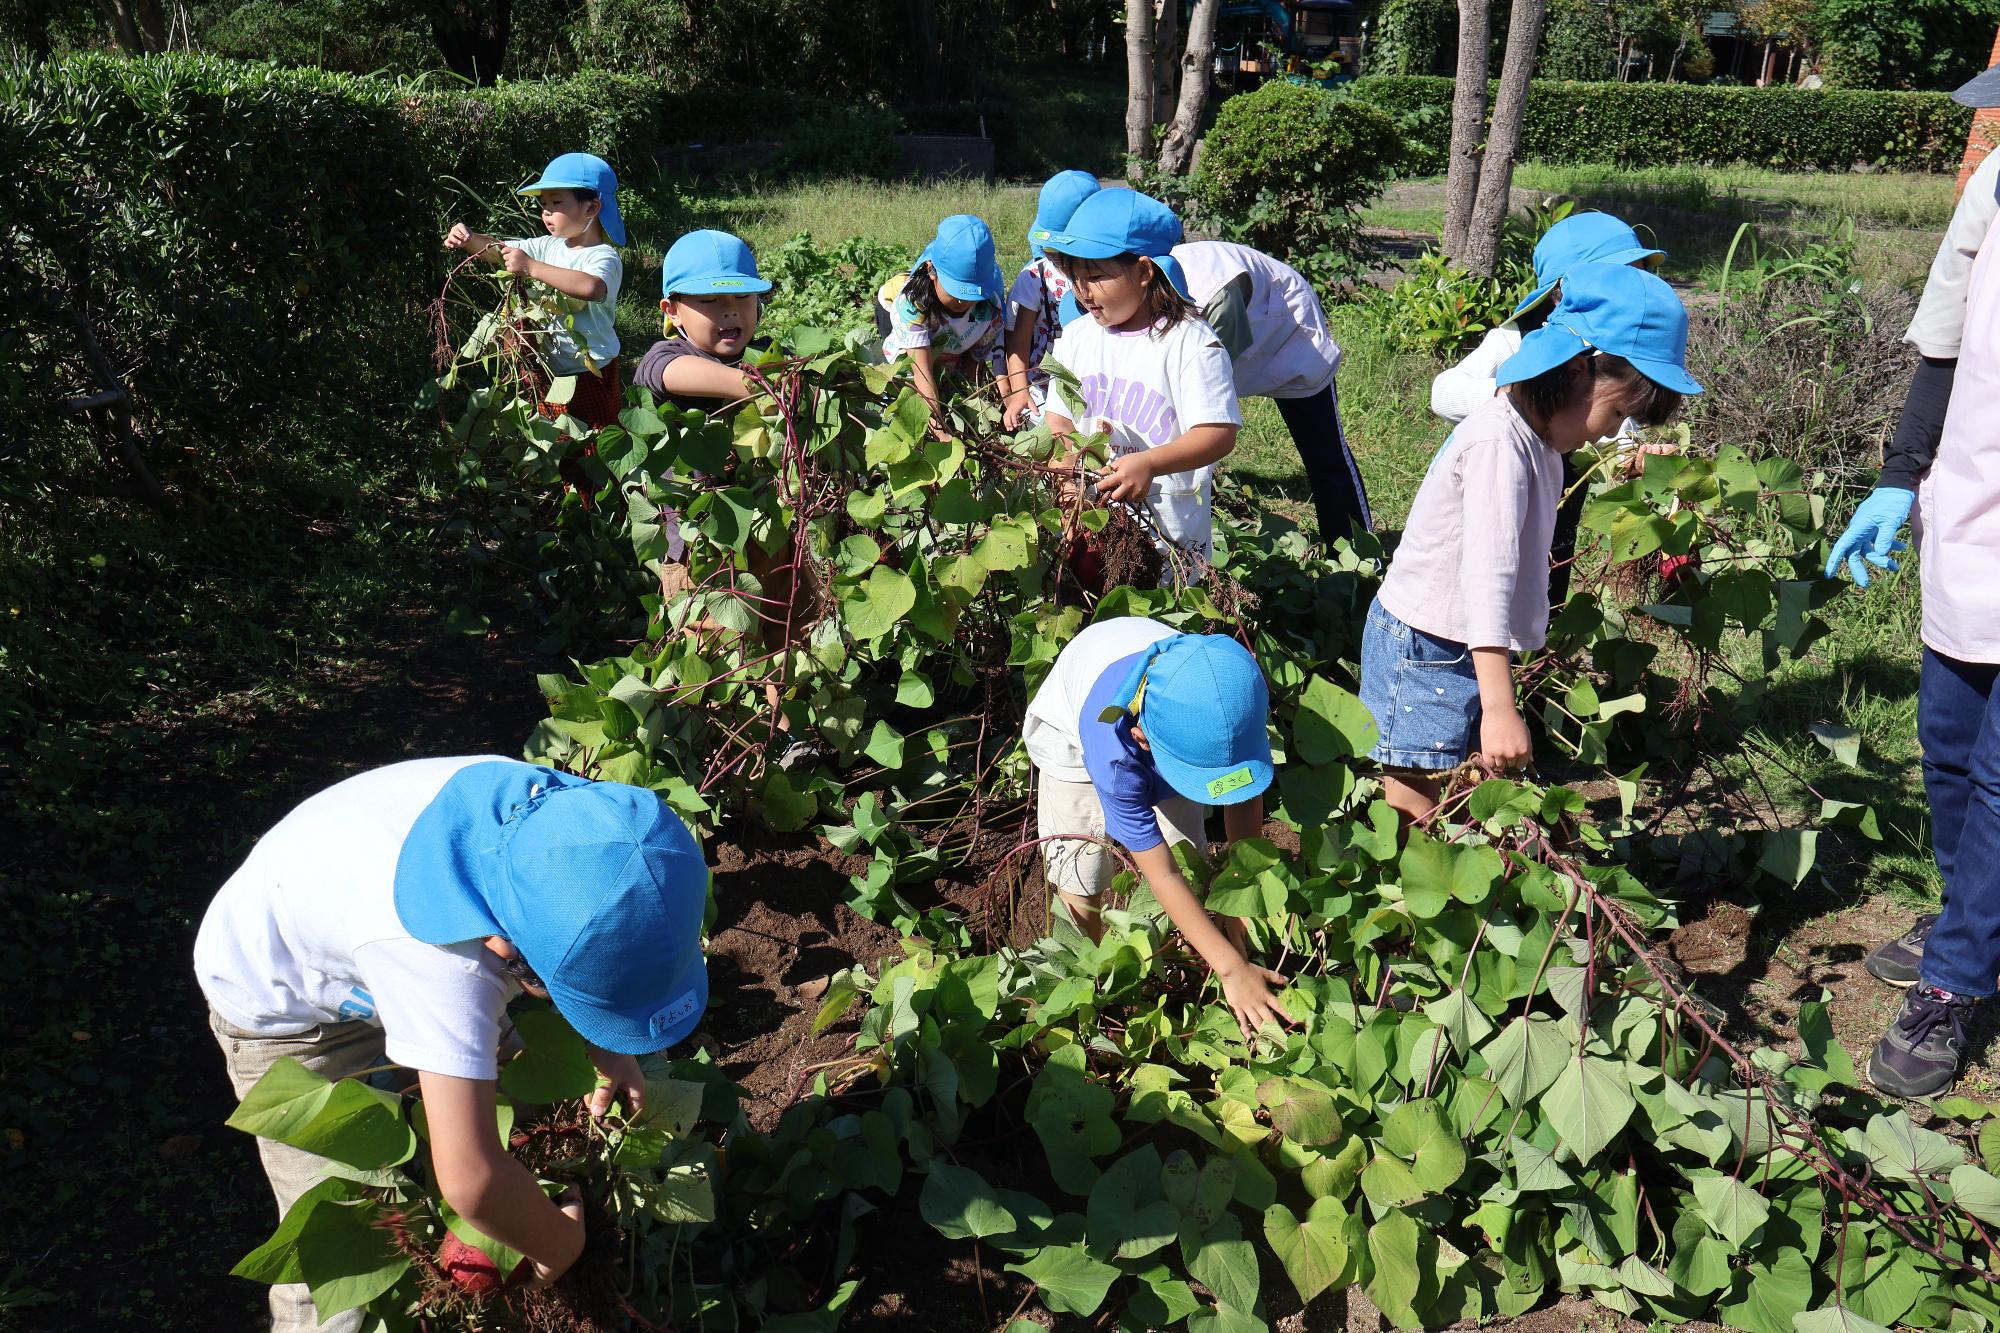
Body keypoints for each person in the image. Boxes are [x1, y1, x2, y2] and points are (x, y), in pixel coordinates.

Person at [195, 757, 708, 1332]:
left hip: (353, 918)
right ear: (504, 948)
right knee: (341, 1265)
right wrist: (562, 1249)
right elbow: (472, 1180)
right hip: (286, 1006)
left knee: (534, 1118)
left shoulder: (584, 823)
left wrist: (608, 1042)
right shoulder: (445, 969)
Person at [1360, 264, 1699, 824]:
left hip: (1463, 645)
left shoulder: (1538, 437)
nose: (1615, 431)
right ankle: (1406, 893)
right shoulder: (1500, 445)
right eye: (1617, 412)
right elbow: (1486, 582)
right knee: (1416, 795)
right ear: (1573, 373)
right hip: (1426, 646)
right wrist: (1500, 707)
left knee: (1463, 779)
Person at [1824, 64, 2000, 1099]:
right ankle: (1968, 911)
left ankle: (1956, 978)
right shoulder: (1995, 183)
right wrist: (1897, 478)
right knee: (1942, 738)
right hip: (1971, 508)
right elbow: (1938, 344)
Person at [1021, 616, 1294, 1039]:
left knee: (1188, 854)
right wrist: (1232, 968)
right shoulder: (1114, 759)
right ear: (1143, 740)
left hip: (1182, 722)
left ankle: (1188, 954)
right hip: (1073, 739)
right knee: (1083, 870)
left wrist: (1238, 903)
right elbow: (1159, 871)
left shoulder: (1225, 695)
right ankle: (1083, 981)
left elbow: (1241, 795)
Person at [1430, 212, 1666, 605]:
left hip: (1559, 505)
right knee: (1485, 589)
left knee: (1546, 588)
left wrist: (1636, 457)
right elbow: (1444, 393)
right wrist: (1533, 399)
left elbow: (1616, 425)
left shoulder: (1614, 352)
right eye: (1624, 280)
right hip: (1494, 496)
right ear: (1563, 290)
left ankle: (1536, 656)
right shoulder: (1516, 338)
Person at [1039, 188, 1242, 577]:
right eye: (1075, 278)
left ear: (1145, 272)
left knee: (1162, 620)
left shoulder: (1192, 343)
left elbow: (1219, 432)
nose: (1082, 292)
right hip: (1091, 523)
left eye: (1095, 277)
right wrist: (1067, 474)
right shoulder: (1078, 337)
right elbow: (1059, 419)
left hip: (1168, 535)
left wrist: (1149, 462)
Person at [1174, 239, 1374, 544]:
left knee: (1325, 456)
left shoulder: (1214, 295)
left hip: (1288, 330)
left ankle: (1356, 557)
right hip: (1233, 325)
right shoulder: (1112, 280)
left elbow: (1206, 395)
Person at [445, 153, 627, 430]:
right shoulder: (549, 245)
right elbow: (501, 252)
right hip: (549, 370)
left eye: (556, 203)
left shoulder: (602, 256)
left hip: (592, 370)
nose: (546, 212)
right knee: (555, 443)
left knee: (596, 441)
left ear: (592, 208)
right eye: (543, 204)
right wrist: (471, 240)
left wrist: (530, 266)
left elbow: (591, 287)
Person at [877, 214, 1007, 432]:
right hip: (904, 335)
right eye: (956, 290)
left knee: (947, 382)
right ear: (931, 270)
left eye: (971, 295)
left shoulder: (989, 310)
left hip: (947, 346)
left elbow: (973, 364)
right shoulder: (912, 305)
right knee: (902, 398)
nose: (962, 301)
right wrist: (938, 427)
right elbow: (921, 371)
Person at [1002, 170, 1102, 429]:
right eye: (1049, 248)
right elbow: (1018, 342)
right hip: (1043, 386)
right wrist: (1019, 391)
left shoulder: (1109, 277)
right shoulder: (1036, 278)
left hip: (1097, 384)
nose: (1054, 255)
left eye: (1061, 249)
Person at [636, 229, 773, 414]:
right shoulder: (669, 356)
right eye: (709, 299)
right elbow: (665, 371)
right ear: (674, 311)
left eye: (742, 296)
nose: (730, 310)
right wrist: (764, 388)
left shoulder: (768, 352)